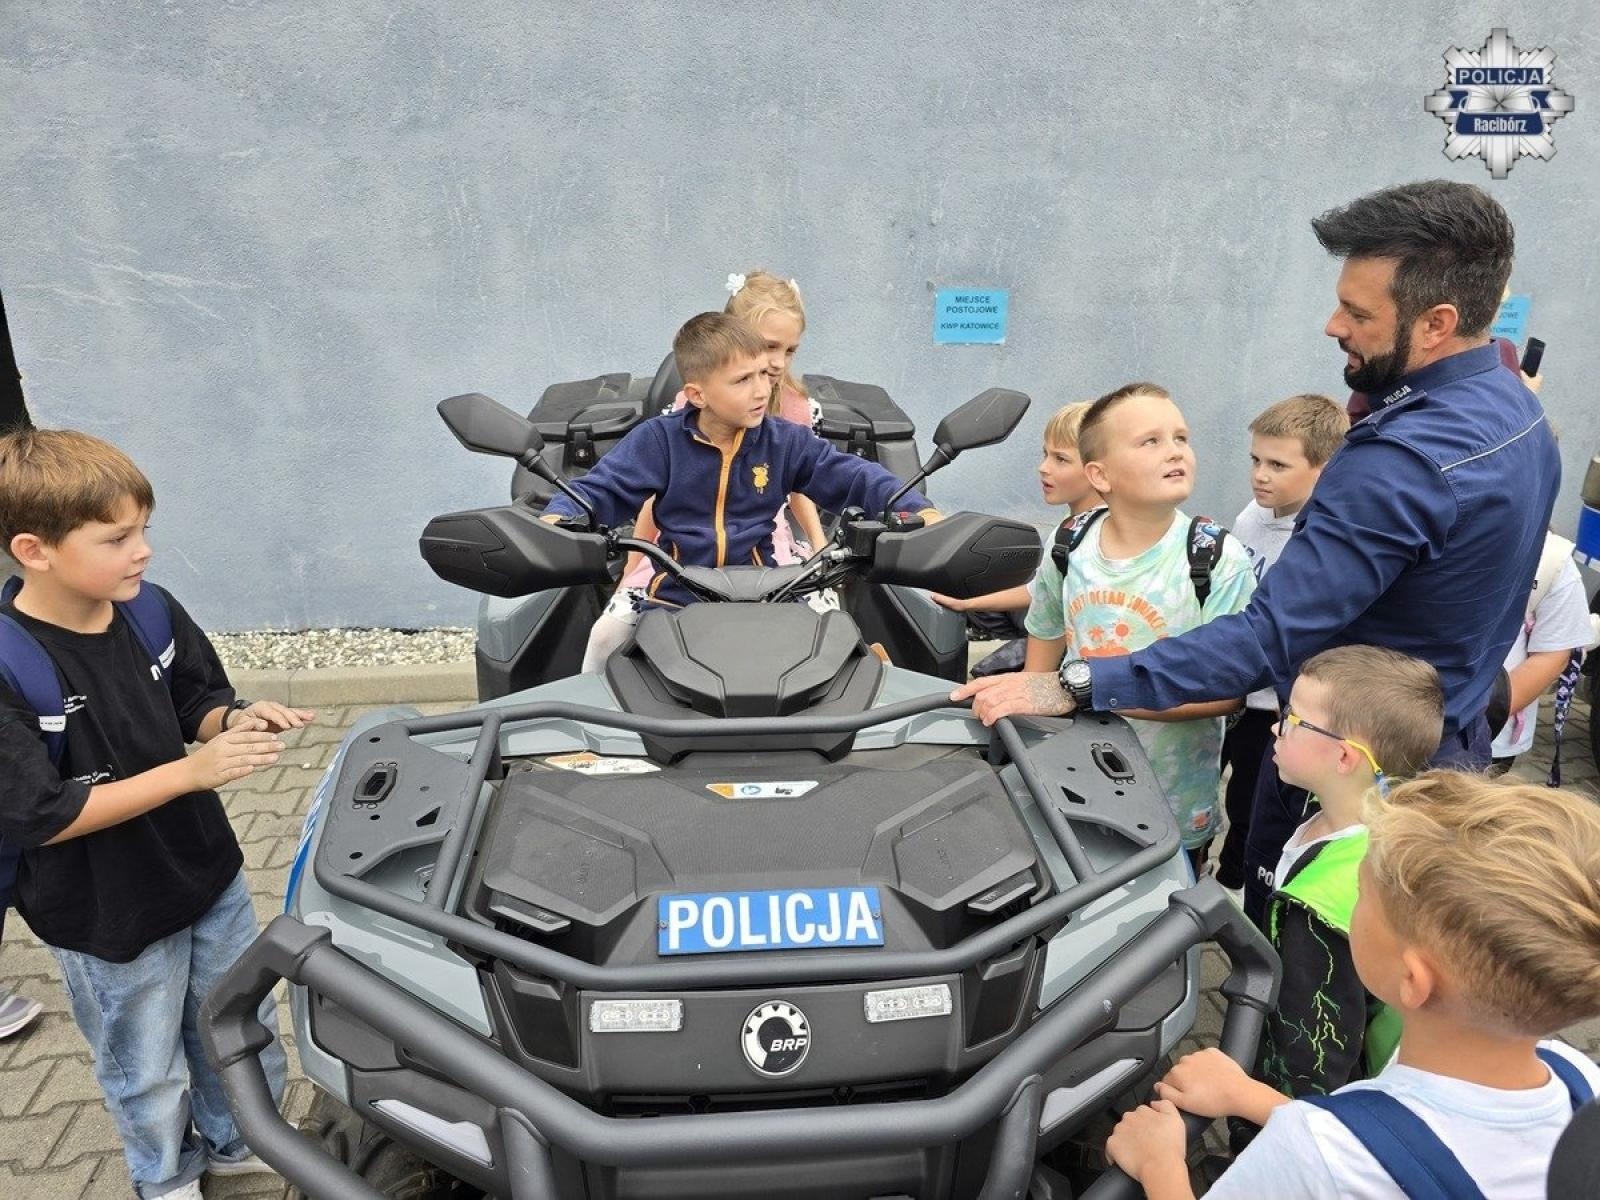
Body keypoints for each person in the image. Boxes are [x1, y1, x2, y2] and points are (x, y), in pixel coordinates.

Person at [956, 181, 1562, 923]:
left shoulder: (1400, 465)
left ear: (1437, 323)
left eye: (1361, 314)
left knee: (1307, 985)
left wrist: (1077, 685)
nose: (1333, 324)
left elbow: (1267, 637)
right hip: (1444, 746)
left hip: (1349, 775)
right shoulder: (1515, 404)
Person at [0, 428, 309, 1199]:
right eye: (117, 537)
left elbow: (196, 699)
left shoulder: (149, 611)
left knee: (237, 1026)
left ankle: (244, 1142)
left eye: (144, 530)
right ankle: (167, 1177)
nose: (142, 552)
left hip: (209, 877)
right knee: (145, 1065)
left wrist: (230, 724)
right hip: (105, 913)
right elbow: (44, 815)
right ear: (35, 550)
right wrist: (190, 772)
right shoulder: (9, 664)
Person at [1104, 770, 1600, 1199]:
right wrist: (1248, 1095)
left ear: (1412, 980)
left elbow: (1341, 1153)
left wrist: (1159, 1163)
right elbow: (1398, 1140)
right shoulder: (1579, 1080)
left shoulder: (1316, 1156)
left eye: (1361, 893)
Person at [1014, 382, 1255, 865]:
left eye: (1181, 438)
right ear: (1100, 474)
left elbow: (1228, 687)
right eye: (1151, 441)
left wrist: (1087, 690)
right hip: (1075, 783)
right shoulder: (1071, 541)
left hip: (1172, 801)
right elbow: (1044, 630)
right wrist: (1032, 713)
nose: (1175, 452)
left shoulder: (1213, 555)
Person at [542, 312, 936, 606]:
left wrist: (914, 508)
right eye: (743, 380)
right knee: (607, 653)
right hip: (675, 600)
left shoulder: (783, 442)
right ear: (697, 395)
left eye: (764, 375)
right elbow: (598, 490)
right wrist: (558, 520)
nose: (762, 390)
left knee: (839, 653)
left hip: (765, 595)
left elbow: (854, 476)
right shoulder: (659, 441)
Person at [582, 273, 830, 671]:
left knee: (826, 630)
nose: (778, 363)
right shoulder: (691, 409)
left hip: (764, 546)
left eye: (790, 350)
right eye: (768, 346)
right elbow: (655, 486)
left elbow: (804, 484)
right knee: (606, 634)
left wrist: (819, 548)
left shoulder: (800, 409)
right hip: (683, 549)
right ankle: (593, 715)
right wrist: (632, 566)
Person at [1255, 646, 1442, 1109]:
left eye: (1293, 718)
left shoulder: (1318, 909)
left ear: (1343, 758)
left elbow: (1307, 1058)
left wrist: (1250, 1117)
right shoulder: (1388, 813)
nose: (1276, 727)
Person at [1214, 394, 1347, 893]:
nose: (1260, 475)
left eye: (1277, 465)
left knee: (1251, 802)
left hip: (1274, 705)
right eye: (1255, 460)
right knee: (1215, 787)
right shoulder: (1252, 515)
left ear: (1323, 467)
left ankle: (1235, 884)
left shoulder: (1322, 536)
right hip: (1232, 691)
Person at [930, 400, 1101, 676]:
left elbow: (1056, 615)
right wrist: (967, 605)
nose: (1043, 467)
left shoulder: (1100, 538)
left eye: (1061, 459)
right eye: (1045, 455)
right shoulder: (1068, 530)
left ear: (1098, 471)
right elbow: (1041, 591)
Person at [1489, 530, 1596, 772]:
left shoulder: (1550, 558)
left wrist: (1474, 720)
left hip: (1489, 732)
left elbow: (1554, 656)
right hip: (1401, 715)